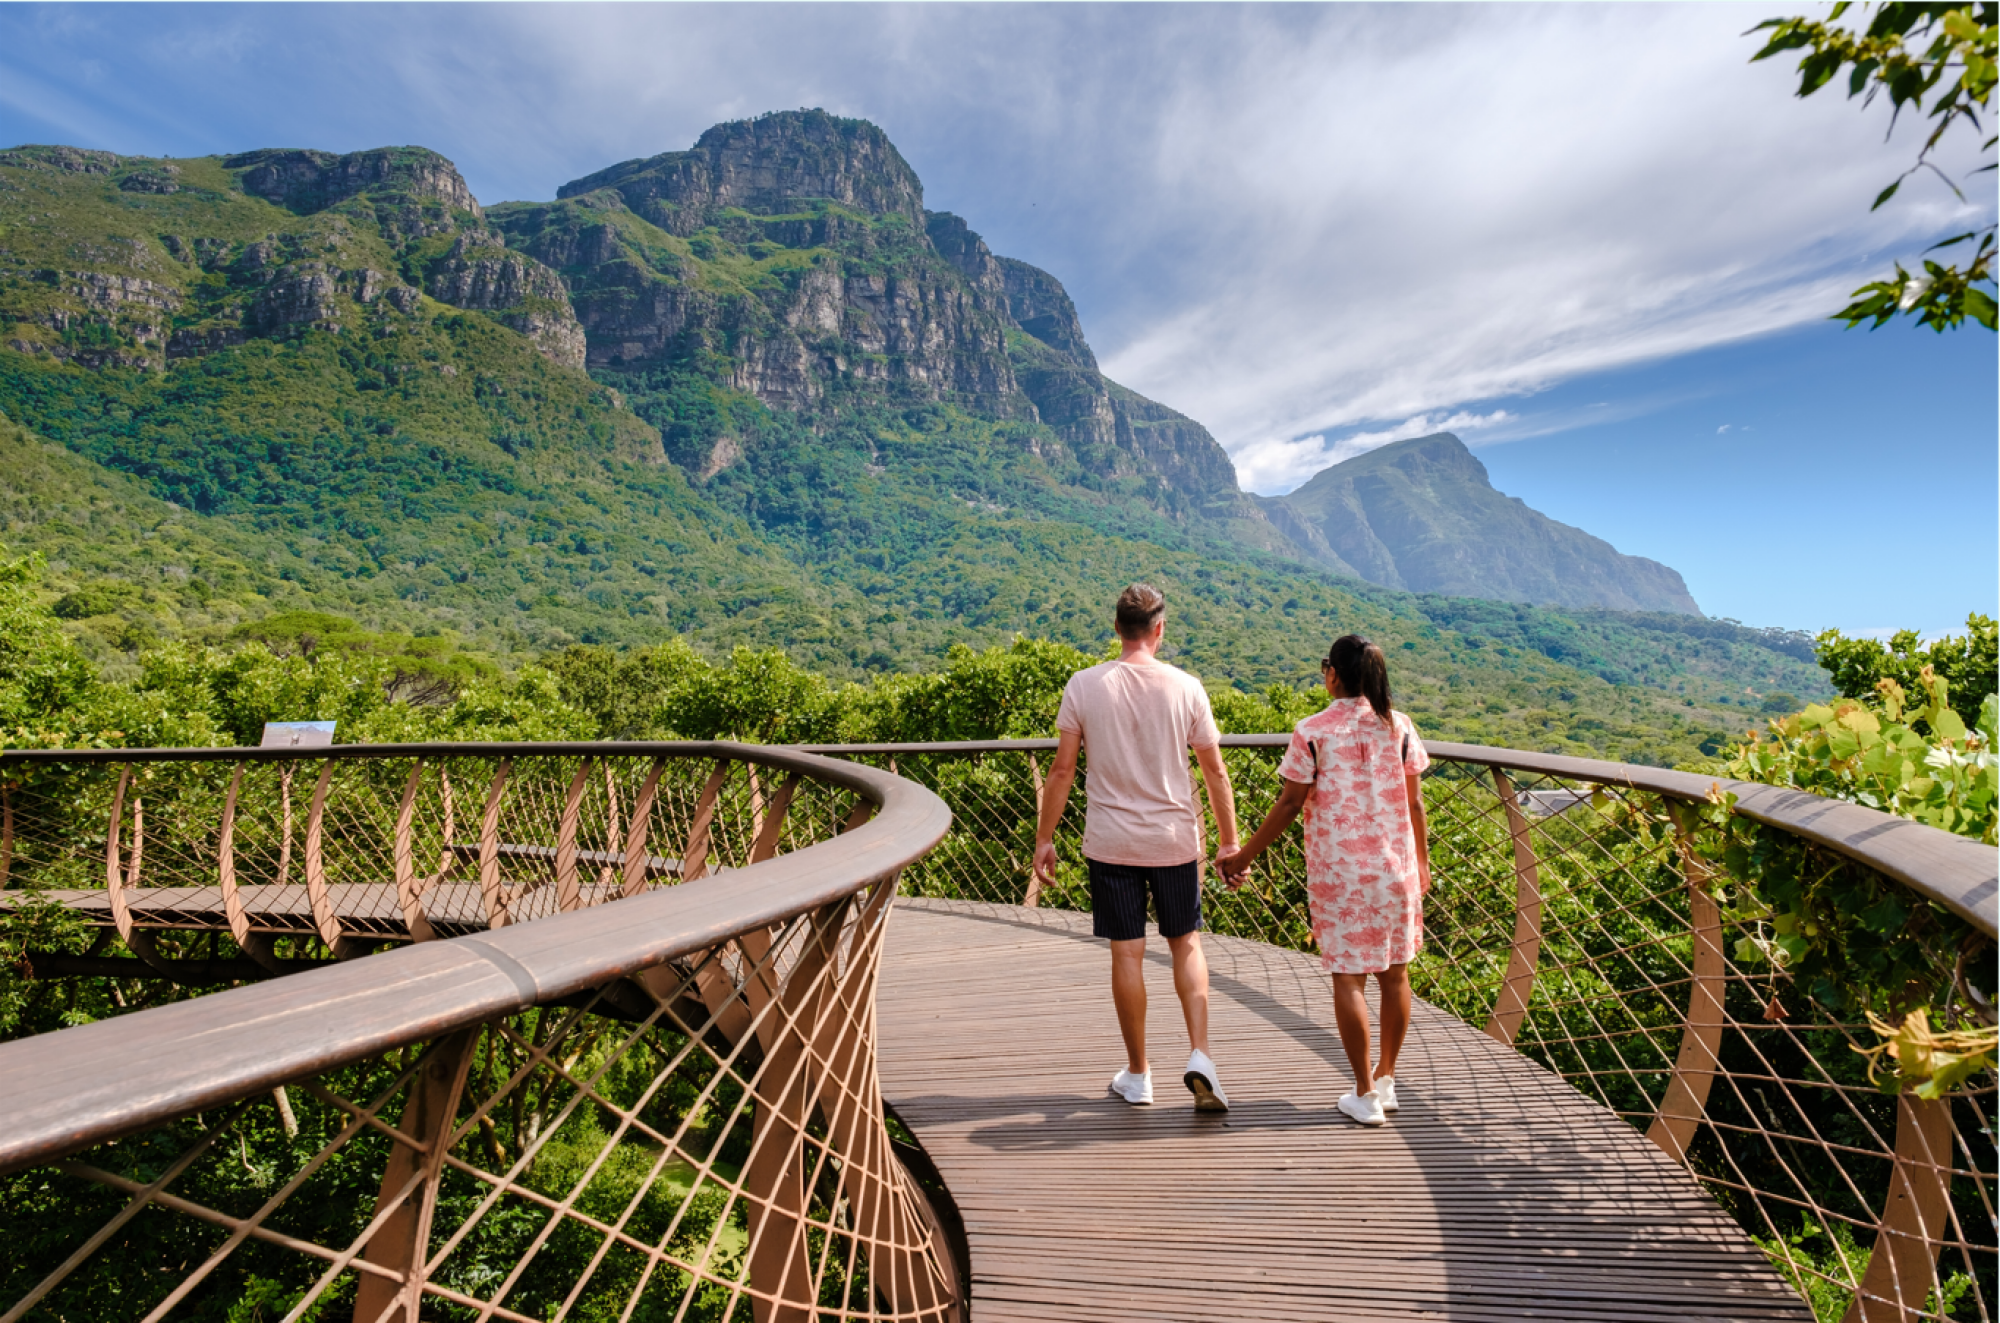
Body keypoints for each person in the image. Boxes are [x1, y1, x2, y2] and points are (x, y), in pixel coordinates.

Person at [1032, 584, 1241, 1111]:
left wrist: (1045, 838)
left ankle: (1139, 1073)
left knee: (1127, 952)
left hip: (1112, 842)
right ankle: (1201, 1055)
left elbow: (1062, 770)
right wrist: (1229, 842)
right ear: (1159, 629)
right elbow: (1214, 770)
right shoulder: (1186, 687)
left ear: (1117, 628)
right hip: (1173, 841)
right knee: (1186, 944)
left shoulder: (1084, 685)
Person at [1218, 635, 1431, 1127]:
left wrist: (1242, 856)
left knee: (1349, 979)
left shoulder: (1312, 731)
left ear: (1332, 674)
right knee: (1396, 975)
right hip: (1396, 870)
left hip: (1341, 874)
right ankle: (1386, 1079)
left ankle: (1364, 1093)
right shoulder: (1400, 726)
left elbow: (1290, 804)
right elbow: (1415, 802)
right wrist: (1422, 863)